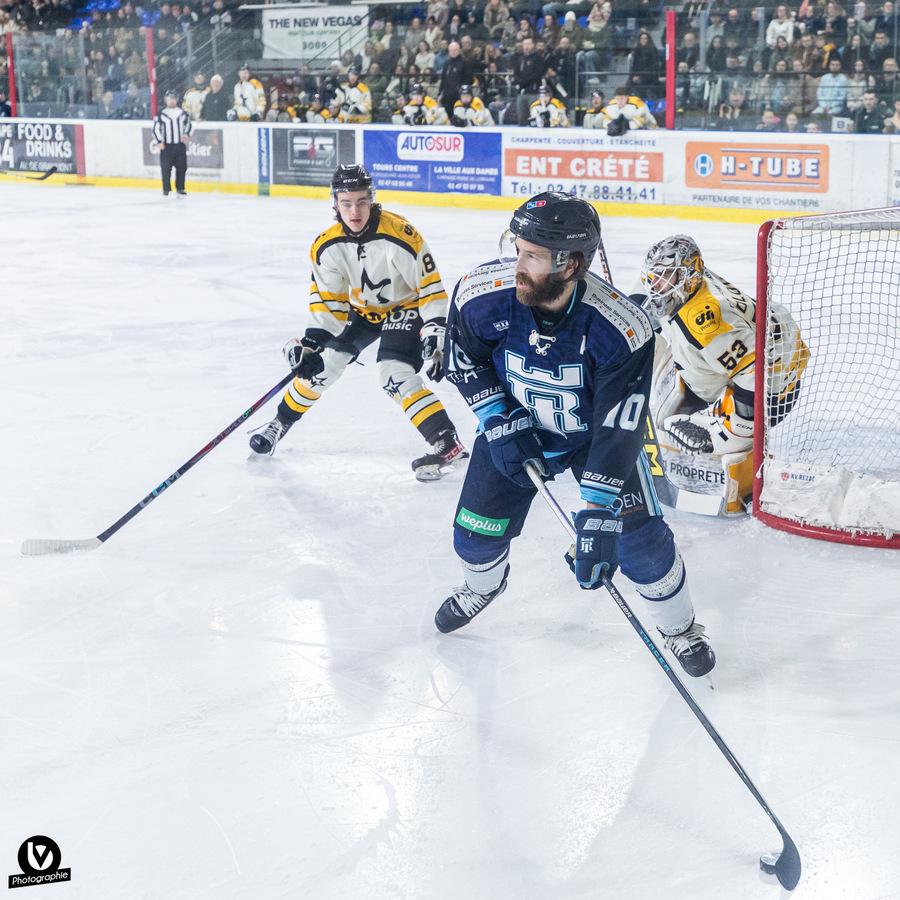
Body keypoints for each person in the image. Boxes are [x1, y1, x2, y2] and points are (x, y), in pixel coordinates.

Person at [433, 193, 716, 679]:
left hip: (593, 439)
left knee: (641, 544)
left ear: (571, 264)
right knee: (474, 538)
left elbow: (619, 424)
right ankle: (483, 586)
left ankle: (680, 628)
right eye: (517, 249)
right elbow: (464, 359)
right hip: (515, 427)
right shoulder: (481, 294)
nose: (517, 265)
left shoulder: (621, 327)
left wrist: (598, 511)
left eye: (532, 256)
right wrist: (496, 416)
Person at [249, 166, 468, 481]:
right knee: (324, 366)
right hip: (362, 311)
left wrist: (435, 330)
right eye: (347, 203)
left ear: (372, 200)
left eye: (362, 202)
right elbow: (329, 304)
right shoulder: (326, 246)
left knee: (394, 373)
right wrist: (311, 345)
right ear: (335, 204)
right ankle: (279, 423)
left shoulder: (401, 235)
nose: (355, 211)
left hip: (405, 306)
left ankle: (446, 441)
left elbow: (430, 288)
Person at [639, 235, 808, 462]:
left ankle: (740, 450)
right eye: (654, 276)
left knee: (666, 423)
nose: (655, 285)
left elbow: (755, 378)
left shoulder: (706, 323)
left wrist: (731, 433)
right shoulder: (694, 282)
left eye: (665, 276)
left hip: (770, 397)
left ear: (689, 274)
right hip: (773, 356)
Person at [152, 89, 192, 196]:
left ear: (177, 100)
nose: (172, 101)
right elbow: (156, 129)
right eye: (169, 99)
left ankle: (180, 187)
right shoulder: (161, 114)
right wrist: (159, 141)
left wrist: (186, 134)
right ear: (166, 100)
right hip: (167, 146)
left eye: (174, 98)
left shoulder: (183, 113)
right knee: (166, 168)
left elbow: (189, 125)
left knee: (181, 167)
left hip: (179, 145)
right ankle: (166, 189)